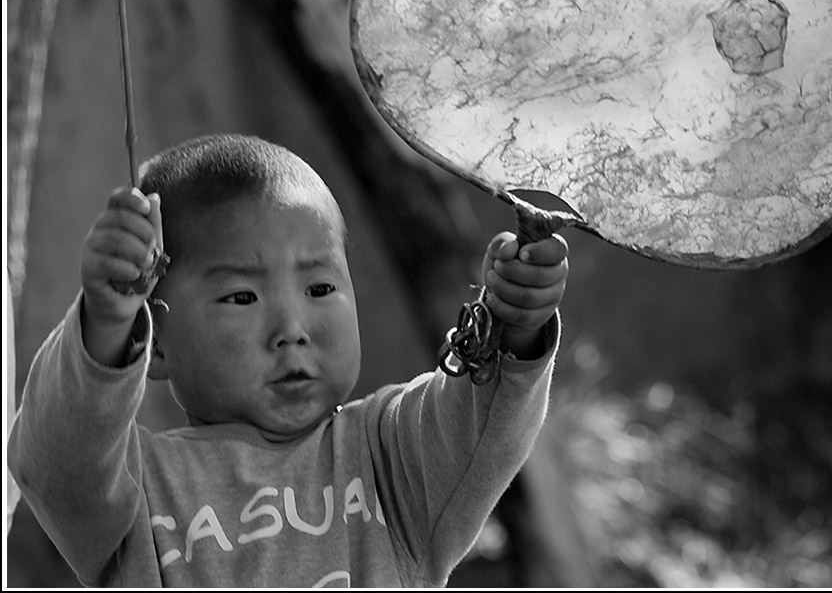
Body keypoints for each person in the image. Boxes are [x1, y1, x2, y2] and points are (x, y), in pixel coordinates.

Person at [8, 133, 568, 587]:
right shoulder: (135, 489)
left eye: (320, 288)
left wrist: (513, 325)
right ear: (155, 341)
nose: (291, 331)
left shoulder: (387, 456)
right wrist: (106, 322)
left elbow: (481, 419)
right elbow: (50, 456)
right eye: (242, 298)